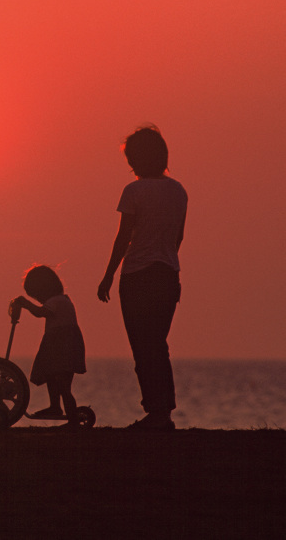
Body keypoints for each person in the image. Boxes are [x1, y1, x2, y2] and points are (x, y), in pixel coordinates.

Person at [98, 125, 187, 431]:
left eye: (131, 158)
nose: (130, 165)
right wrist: (166, 260)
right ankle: (164, 412)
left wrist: (108, 276)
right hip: (167, 275)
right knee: (158, 345)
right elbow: (179, 237)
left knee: (142, 347)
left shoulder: (133, 191)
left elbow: (123, 238)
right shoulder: (178, 191)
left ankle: (155, 411)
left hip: (137, 276)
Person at [10, 265, 87, 427]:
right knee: (52, 377)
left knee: (63, 384)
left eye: (37, 295)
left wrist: (25, 303)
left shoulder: (57, 301)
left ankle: (72, 420)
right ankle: (55, 407)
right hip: (57, 345)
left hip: (63, 347)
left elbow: (40, 313)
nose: (38, 299)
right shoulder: (61, 300)